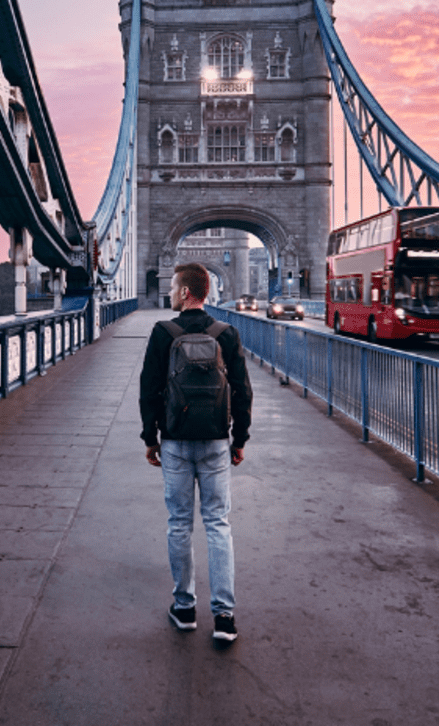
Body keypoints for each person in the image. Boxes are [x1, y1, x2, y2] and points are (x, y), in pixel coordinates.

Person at [140, 262, 252, 644]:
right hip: (217, 441)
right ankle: (224, 617)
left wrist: (150, 438)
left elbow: (149, 391)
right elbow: (242, 391)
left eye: (173, 287)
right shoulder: (227, 333)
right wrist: (240, 440)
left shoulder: (162, 332)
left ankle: (185, 608)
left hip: (173, 442)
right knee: (218, 524)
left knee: (180, 523)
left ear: (186, 292)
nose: (170, 293)